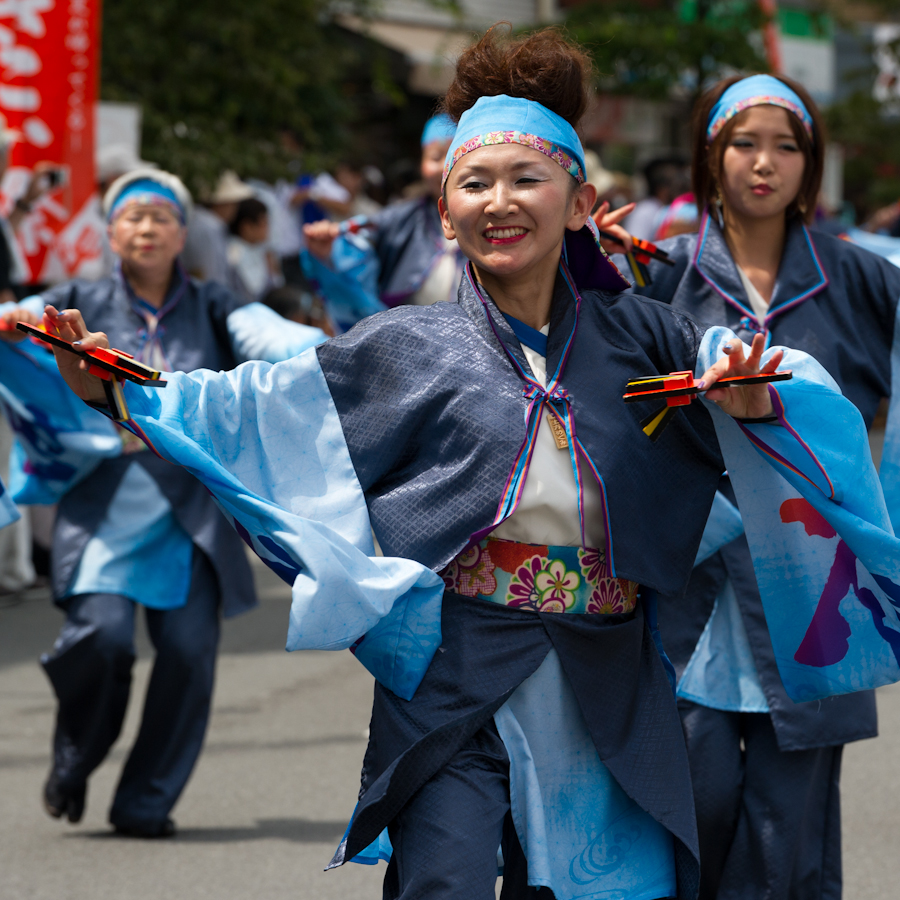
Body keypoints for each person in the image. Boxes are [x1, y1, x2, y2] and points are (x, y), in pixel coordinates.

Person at [38, 29, 900, 900]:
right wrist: (117, 389)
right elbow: (251, 402)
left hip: (605, 668)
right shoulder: (406, 347)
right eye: (475, 184)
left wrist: (754, 397)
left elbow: (746, 365)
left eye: (527, 179)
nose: (501, 201)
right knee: (443, 878)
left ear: (578, 202)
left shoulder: (644, 336)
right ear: (446, 215)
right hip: (460, 668)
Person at [627, 73, 900, 900]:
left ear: (810, 166)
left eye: (786, 146)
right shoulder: (659, 273)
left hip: (817, 587)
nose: (764, 163)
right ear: (713, 157)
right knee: (692, 809)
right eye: (746, 142)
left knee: (791, 838)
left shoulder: (857, 277)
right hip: (694, 587)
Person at [0, 168, 325, 837]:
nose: (146, 228)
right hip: (105, 504)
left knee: (187, 653)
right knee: (102, 637)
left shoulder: (214, 304)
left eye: (160, 218)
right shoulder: (76, 298)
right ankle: (74, 755)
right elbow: (25, 323)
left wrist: (321, 349)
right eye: (132, 217)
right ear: (111, 232)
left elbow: (273, 336)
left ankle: (145, 800)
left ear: (184, 232)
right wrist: (14, 326)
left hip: (193, 514)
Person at [181, 170, 254, 285]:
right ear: (224, 203)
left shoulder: (200, 220)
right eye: (234, 203)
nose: (235, 209)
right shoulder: (209, 227)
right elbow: (211, 275)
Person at [226, 197, 282, 302]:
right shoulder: (234, 253)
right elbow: (253, 289)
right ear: (246, 227)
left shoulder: (261, 249)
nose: (267, 228)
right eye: (263, 223)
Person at [624, 157, 690, 242]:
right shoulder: (646, 210)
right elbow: (635, 244)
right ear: (661, 188)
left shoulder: (667, 208)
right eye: (673, 184)